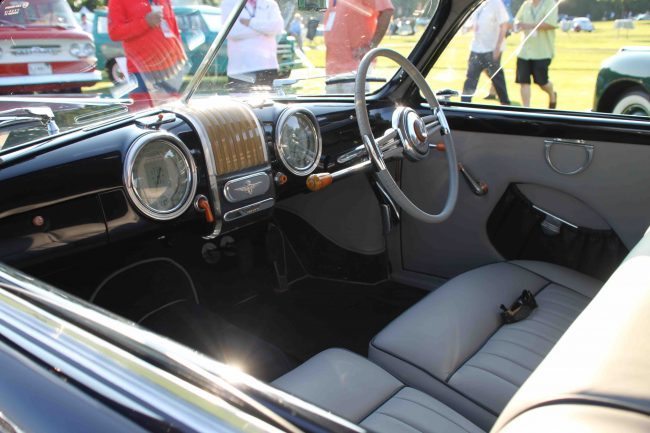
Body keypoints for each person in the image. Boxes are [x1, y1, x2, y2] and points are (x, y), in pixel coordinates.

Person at [108, 0, 187, 108]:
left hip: (169, 69)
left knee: (173, 116)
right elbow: (115, 32)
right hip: (140, 71)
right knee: (143, 118)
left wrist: (180, 53)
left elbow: (172, 26)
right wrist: (145, 22)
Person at [323, 0, 394, 93]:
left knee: (354, 105)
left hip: (355, 67)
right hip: (333, 68)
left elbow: (387, 11)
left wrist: (371, 46)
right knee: (335, 106)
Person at [221, 0, 284, 90]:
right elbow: (232, 31)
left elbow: (277, 27)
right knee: (241, 103)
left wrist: (250, 23)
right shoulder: (229, 3)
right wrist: (265, 30)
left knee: (267, 102)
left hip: (268, 67)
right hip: (240, 70)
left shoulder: (270, 3)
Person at [461, 0, 511, 105]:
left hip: (491, 49)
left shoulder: (496, 3)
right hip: (476, 48)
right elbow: (475, 23)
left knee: (497, 79)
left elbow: (504, 25)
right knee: (470, 78)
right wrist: (468, 28)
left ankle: (505, 104)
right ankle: (465, 105)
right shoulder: (478, 5)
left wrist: (497, 47)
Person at [514, 0, 558, 108]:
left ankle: (552, 94)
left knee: (541, 82)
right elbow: (517, 20)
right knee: (523, 81)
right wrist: (518, 25)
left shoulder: (549, 3)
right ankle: (526, 109)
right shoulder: (526, 4)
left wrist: (529, 25)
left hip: (542, 52)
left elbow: (550, 24)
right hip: (524, 51)